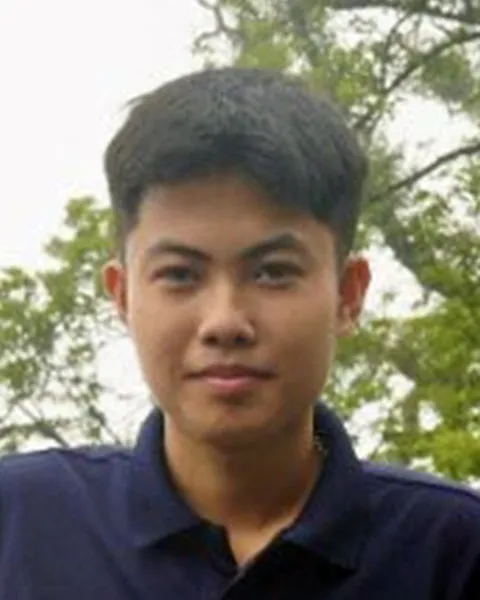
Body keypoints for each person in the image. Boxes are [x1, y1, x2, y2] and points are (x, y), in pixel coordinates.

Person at [0, 67, 479, 600]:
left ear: (348, 295)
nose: (225, 322)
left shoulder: (451, 551)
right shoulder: (20, 526)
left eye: (273, 272)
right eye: (180, 275)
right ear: (123, 296)